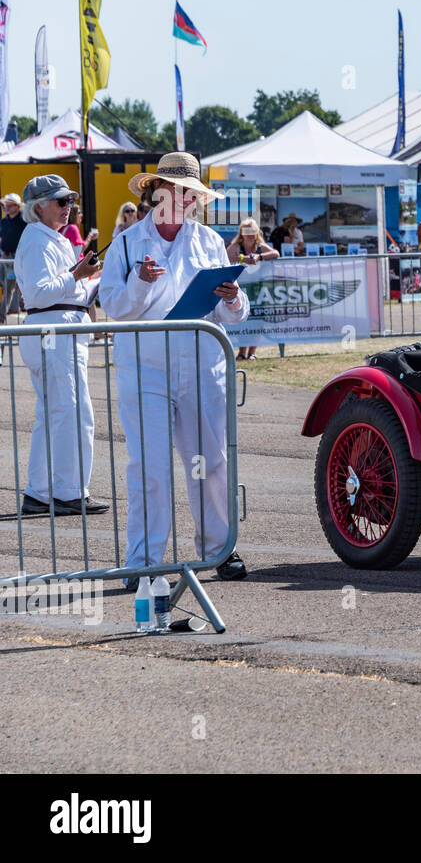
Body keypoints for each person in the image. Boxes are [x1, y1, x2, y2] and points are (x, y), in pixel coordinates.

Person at [98, 151, 251, 583]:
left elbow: (235, 315)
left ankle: (219, 550)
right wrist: (139, 282)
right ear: (157, 191)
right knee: (150, 465)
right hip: (145, 367)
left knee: (211, 461)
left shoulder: (208, 240)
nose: (185, 200)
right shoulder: (127, 242)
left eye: (191, 193)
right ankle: (144, 562)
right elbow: (112, 305)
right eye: (178, 191)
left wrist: (231, 297)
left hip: (201, 364)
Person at [12, 174, 108, 516]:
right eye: (61, 201)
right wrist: (78, 276)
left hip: (59, 331)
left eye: (70, 201)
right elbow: (38, 294)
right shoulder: (38, 240)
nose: (69, 208)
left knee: (56, 414)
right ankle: (67, 490)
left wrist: (91, 280)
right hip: (53, 334)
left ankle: (40, 492)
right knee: (72, 413)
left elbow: (66, 291)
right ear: (39, 207)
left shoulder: (50, 238)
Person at [226, 218, 279, 360]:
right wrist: (243, 259)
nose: (250, 234)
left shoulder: (260, 246)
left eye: (253, 231)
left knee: (258, 320)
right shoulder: (237, 245)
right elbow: (228, 255)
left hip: (258, 289)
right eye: (247, 231)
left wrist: (259, 256)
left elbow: (275, 253)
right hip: (242, 289)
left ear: (257, 232)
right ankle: (242, 352)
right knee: (243, 318)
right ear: (241, 233)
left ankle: (252, 353)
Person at [1, 192, 26, 318]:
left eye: (9, 205)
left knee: (11, 285)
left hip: (19, 258)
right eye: (5, 205)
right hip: (6, 257)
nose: (6, 208)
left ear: (17, 206)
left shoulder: (23, 221)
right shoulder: (4, 221)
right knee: (12, 284)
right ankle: (25, 303)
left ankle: (2, 315)